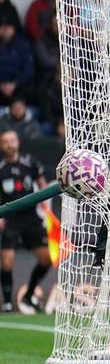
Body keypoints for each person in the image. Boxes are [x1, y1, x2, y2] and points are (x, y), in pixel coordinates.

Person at [0, 130, 52, 314]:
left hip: (31, 218)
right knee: (7, 262)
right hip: (11, 220)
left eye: (12, 140)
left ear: (18, 142)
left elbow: (43, 184)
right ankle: (6, 303)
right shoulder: (1, 169)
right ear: (1, 145)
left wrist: (46, 207)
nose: (9, 144)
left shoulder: (30, 163)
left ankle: (29, 294)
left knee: (46, 259)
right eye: (5, 141)